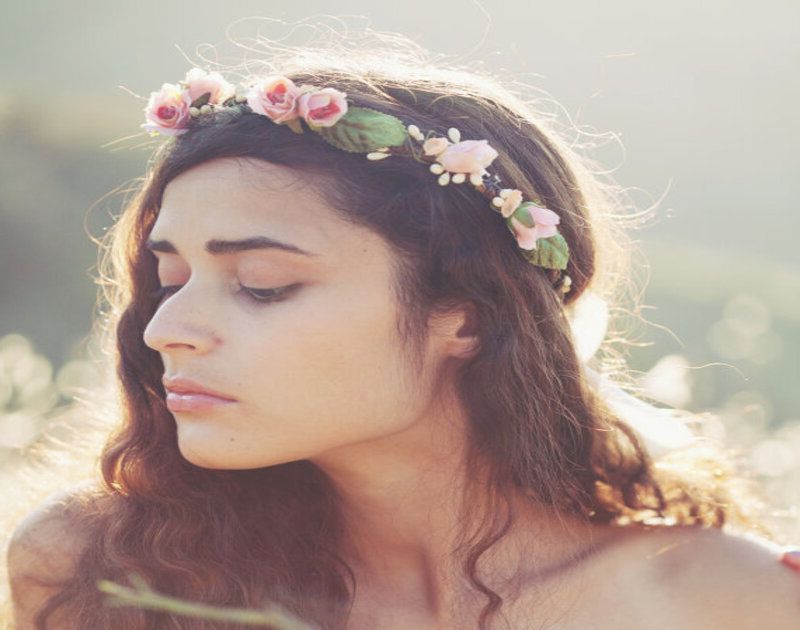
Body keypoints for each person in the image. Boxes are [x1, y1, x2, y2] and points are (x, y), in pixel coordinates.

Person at [6, 31, 799, 630]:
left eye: (261, 286)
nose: (164, 331)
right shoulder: (97, 574)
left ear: (470, 314)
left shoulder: (726, 601)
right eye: (169, 280)